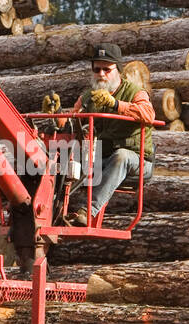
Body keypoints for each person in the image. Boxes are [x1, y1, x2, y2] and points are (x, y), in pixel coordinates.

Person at [41, 42, 156, 225]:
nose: (101, 74)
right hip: (102, 158)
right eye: (97, 69)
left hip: (137, 161)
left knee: (121, 156)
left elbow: (148, 114)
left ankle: (88, 211)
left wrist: (115, 104)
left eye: (107, 69)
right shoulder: (89, 96)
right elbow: (71, 120)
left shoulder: (135, 93)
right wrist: (56, 112)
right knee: (65, 159)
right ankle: (50, 210)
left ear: (118, 70)